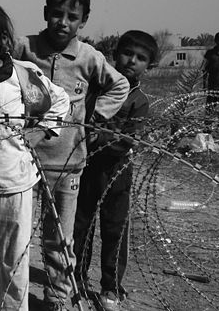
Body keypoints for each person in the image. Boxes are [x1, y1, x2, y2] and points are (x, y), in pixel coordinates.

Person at [12, 0, 129, 311]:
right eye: (57, 14)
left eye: (72, 17)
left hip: (67, 163)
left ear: (83, 21)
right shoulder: (26, 47)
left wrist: (97, 116)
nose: (62, 22)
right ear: (45, 13)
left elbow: (118, 84)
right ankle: (9, 295)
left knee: (59, 238)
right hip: (24, 158)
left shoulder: (88, 56)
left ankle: (57, 298)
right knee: (16, 234)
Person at [0, 0, 69, 311]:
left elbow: (60, 102)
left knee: (15, 261)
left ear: (3, 38)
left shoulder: (23, 76)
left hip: (17, 183)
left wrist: (42, 130)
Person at [73, 30, 158, 311]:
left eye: (140, 58)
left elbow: (127, 141)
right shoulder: (97, 87)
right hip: (87, 167)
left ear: (149, 64)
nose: (131, 61)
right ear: (114, 55)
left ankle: (110, 287)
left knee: (114, 229)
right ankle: (77, 279)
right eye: (127, 53)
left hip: (117, 172)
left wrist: (99, 136)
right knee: (81, 224)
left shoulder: (139, 100)